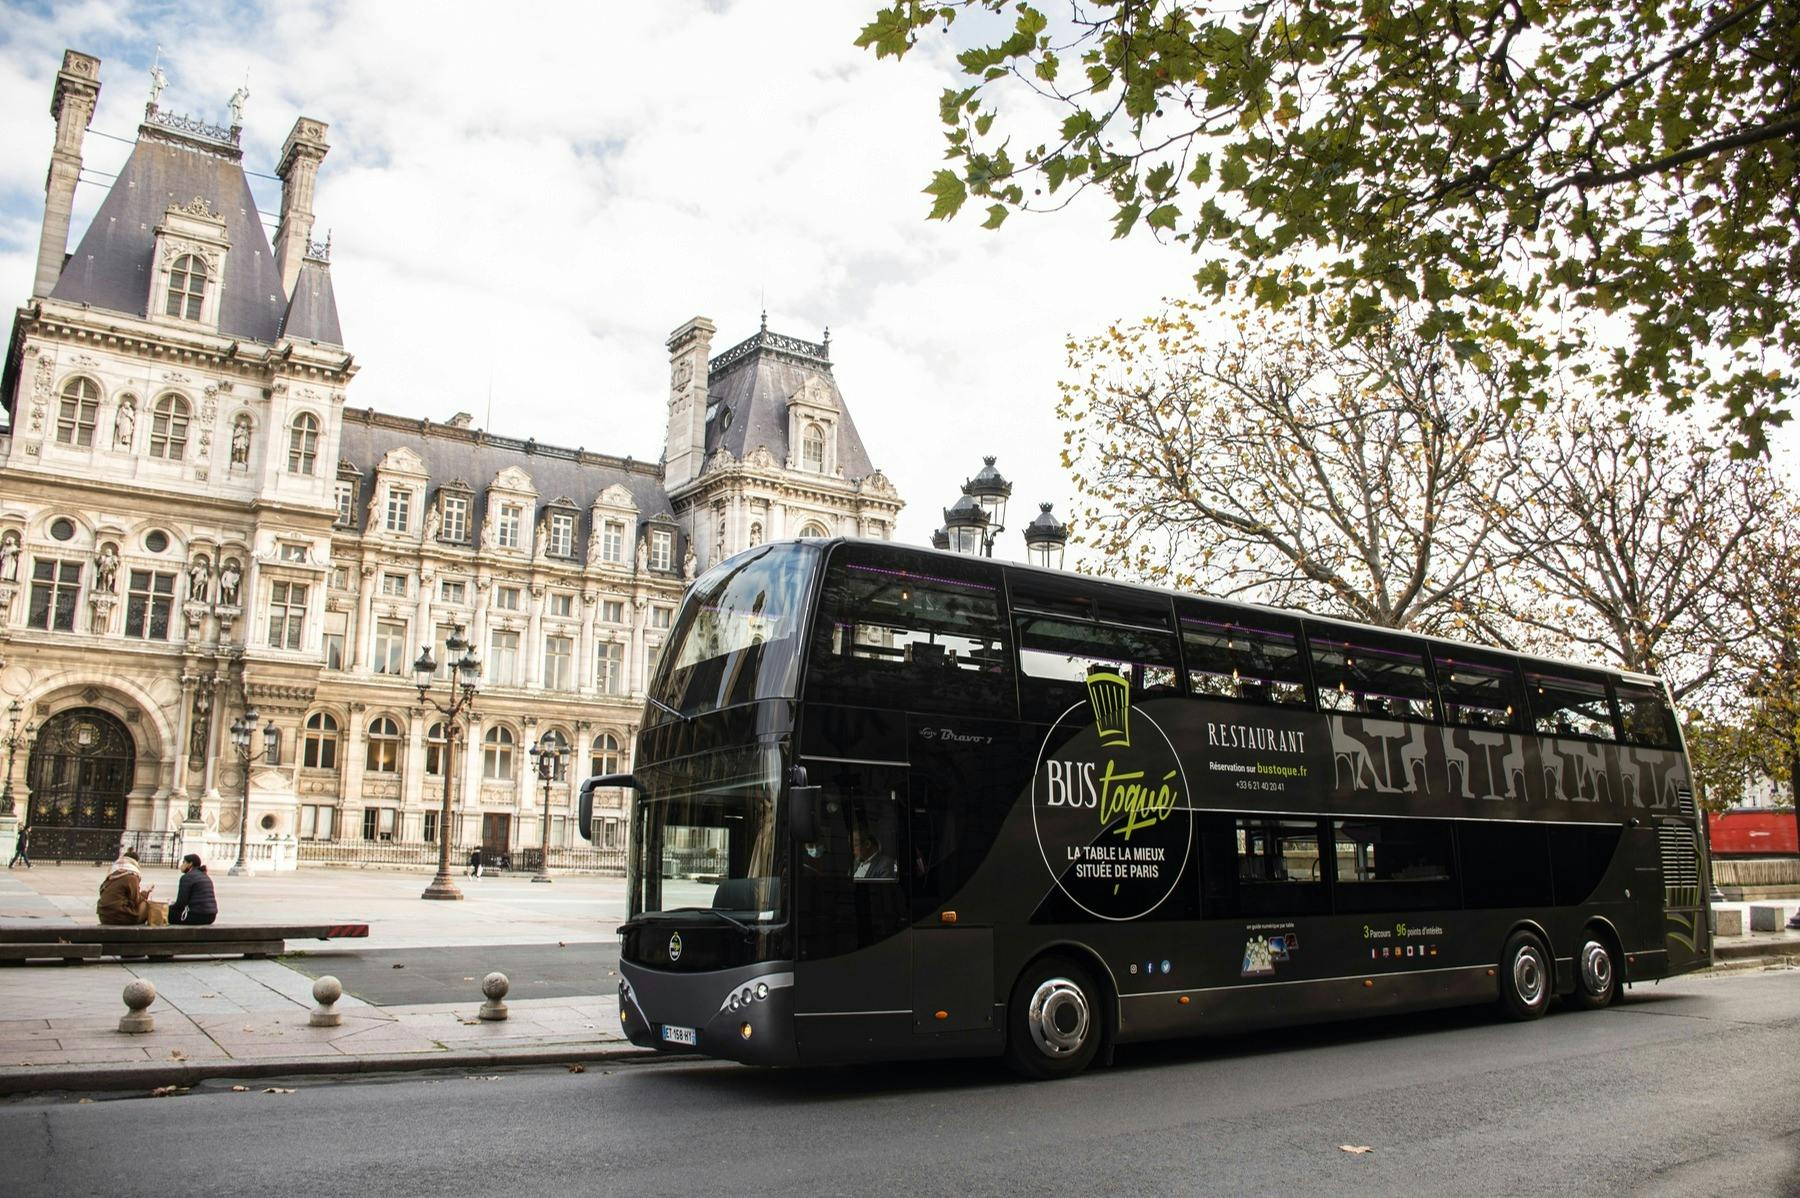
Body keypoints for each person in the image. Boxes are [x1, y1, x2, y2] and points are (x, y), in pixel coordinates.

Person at [96, 850, 154, 925]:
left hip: (103, 917)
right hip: (118, 918)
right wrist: (146, 891)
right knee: (147, 906)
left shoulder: (113, 874)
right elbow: (136, 900)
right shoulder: (131, 877)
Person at [167, 853, 217, 926]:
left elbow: (180, 903)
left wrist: (169, 907)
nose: (181, 865)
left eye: (184, 862)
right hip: (211, 916)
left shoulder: (187, 877)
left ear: (190, 864)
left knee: (165, 912)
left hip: (197, 916)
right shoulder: (205, 875)